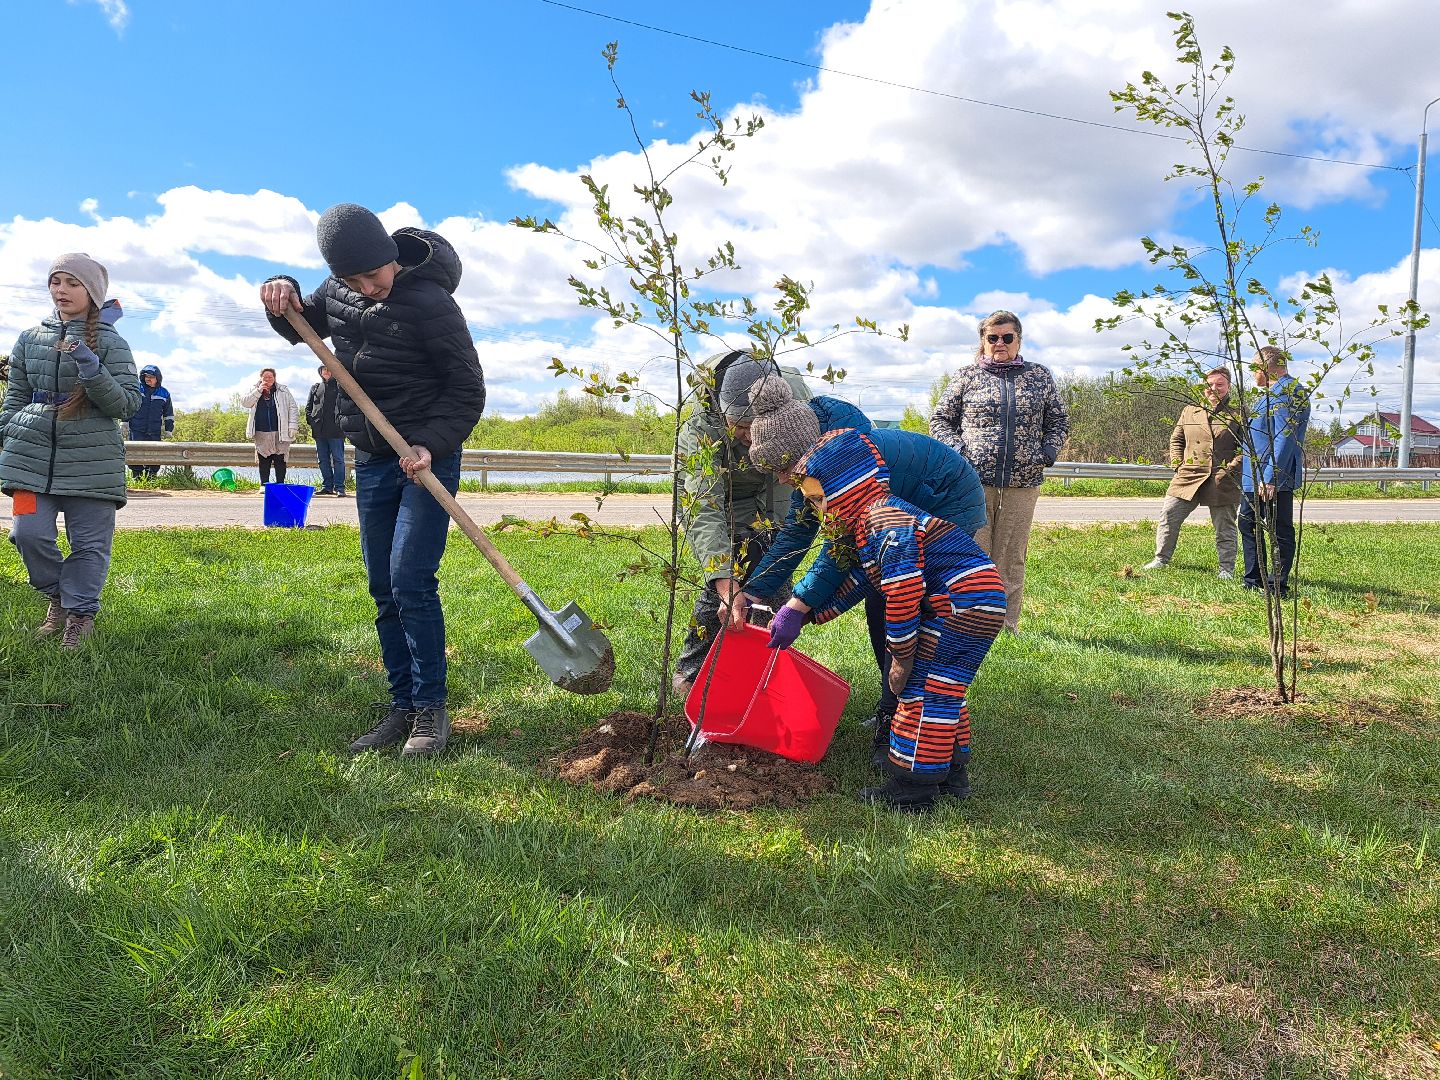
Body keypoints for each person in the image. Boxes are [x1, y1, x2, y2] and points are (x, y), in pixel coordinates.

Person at [260, 203, 486, 757]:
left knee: (410, 579)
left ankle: (431, 709)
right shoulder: (337, 292)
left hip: (428, 456)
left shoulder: (431, 302)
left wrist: (430, 443)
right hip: (374, 458)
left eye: (375, 273)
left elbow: (467, 388)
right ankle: (401, 707)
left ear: (392, 255)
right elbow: (301, 324)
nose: (370, 286)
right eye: (354, 278)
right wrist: (281, 291)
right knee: (383, 586)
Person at [749, 422, 1006, 813]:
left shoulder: (886, 522)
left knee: (920, 689)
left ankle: (912, 790)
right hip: (972, 599)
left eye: (820, 500)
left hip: (961, 604)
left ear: (847, 489)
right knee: (944, 685)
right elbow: (862, 579)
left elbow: (902, 592)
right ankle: (952, 773)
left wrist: (901, 656)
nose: (817, 511)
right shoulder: (873, 522)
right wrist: (807, 614)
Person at [736, 374, 987, 765]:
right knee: (880, 596)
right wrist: (754, 592)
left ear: (804, 452)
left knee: (907, 607)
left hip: (947, 500)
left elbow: (848, 547)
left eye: (784, 468)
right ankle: (905, 706)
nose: (782, 479)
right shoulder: (818, 476)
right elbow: (797, 535)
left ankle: (907, 716)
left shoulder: (850, 468)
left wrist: (800, 606)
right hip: (905, 515)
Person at [1, 254, 140, 648]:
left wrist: (91, 367)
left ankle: (79, 615)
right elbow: (15, 397)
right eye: (55, 282)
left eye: (71, 283)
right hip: (30, 463)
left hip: (93, 465)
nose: (60, 290)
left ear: (92, 292)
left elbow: (127, 405)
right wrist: (9, 431)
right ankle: (58, 596)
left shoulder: (112, 342)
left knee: (89, 546)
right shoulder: (30, 338)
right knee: (26, 533)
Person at [672, 351, 829, 698]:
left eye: (752, 427)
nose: (746, 435)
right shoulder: (699, 428)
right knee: (727, 581)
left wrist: (774, 544)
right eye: (739, 427)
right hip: (727, 492)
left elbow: (790, 495)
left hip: (775, 480)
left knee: (772, 564)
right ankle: (692, 674)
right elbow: (704, 508)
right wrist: (726, 584)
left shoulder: (793, 404)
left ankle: (764, 673)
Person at [930, 310, 1068, 632]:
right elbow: (940, 420)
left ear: (1018, 340)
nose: (1000, 343)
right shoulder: (967, 376)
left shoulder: (1039, 376)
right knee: (971, 552)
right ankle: (966, 620)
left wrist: (1045, 453)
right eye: (993, 338)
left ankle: (1006, 624)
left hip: (1023, 483)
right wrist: (962, 452)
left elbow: (1058, 421)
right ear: (983, 341)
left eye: (1007, 337)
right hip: (972, 483)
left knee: (1011, 555)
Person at [1142, 367, 1243, 577]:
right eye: (1209, 384)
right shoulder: (1190, 410)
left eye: (1219, 384)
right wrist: (1178, 463)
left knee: (1224, 526)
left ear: (1228, 386)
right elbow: (1176, 439)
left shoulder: (1238, 413)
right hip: (1188, 474)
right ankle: (1161, 559)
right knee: (1169, 515)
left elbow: (1248, 449)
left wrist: (1231, 469)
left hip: (1221, 478)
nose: (1213, 389)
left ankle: (1226, 569)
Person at [1239, 346, 1310, 597]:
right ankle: (1253, 580)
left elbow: (1284, 438)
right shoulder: (1273, 392)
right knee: (1248, 523)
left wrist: (1271, 477)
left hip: (1270, 477)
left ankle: (1276, 585)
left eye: (1254, 368)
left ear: (1265, 367)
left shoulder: (1287, 393)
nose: (1252, 374)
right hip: (1255, 475)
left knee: (1279, 529)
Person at [241, 368, 299, 484]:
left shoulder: (283, 390)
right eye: (265, 377)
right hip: (261, 430)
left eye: (270, 377)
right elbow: (245, 403)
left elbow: (293, 407)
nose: (268, 379)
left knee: (280, 459)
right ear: (261, 378)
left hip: (280, 430)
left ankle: (280, 484)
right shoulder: (254, 389)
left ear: (274, 378)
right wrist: (258, 391)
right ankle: (264, 484)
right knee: (264, 459)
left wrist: (293, 425)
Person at [125, 363, 174, 479]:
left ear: (157, 378)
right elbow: (128, 405)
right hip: (136, 429)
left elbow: (168, 414)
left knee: (154, 454)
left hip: (154, 431)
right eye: (146, 376)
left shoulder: (164, 393)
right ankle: (136, 477)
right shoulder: (137, 389)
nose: (148, 379)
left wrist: (169, 429)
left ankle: (151, 477)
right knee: (135, 454)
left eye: (151, 377)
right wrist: (125, 422)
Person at [305, 364, 347, 495]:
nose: (327, 371)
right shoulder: (315, 387)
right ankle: (327, 486)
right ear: (320, 372)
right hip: (319, 430)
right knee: (322, 459)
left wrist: (341, 422)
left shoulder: (340, 387)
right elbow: (308, 408)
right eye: (324, 369)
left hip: (336, 430)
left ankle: (339, 487)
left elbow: (345, 406)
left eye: (329, 369)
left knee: (338, 459)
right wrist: (312, 421)